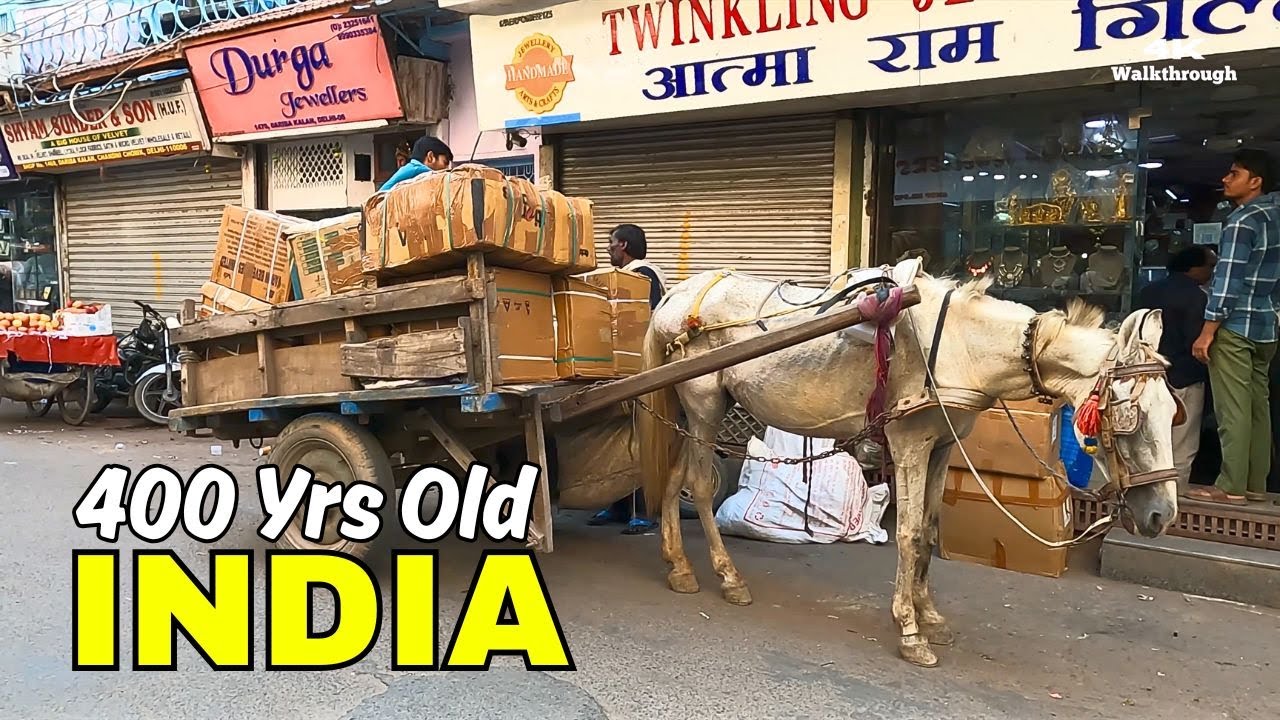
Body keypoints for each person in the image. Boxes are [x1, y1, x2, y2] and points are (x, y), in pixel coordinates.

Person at [1188, 148, 1280, 505]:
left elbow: (1226, 282)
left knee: (1233, 410)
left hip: (1236, 325)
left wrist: (1208, 330)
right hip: (1268, 324)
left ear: (1255, 181)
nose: (1225, 179)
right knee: (1260, 407)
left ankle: (1230, 486)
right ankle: (1256, 483)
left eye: (1235, 173)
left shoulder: (1242, 221)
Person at [589, 223, 669, 534]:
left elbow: (638, 318)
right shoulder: (630, 274)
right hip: (620, 368)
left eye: (610, 243)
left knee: (642, 436)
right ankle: (619, 505)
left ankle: (645, 510)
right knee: (619, 438)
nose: (607, 248)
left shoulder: (642, 274)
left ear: (623, 245)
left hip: (642, 367)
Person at [1137, 245, 1218, 497]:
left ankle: (1146, 488)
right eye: (1210, 266)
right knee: (1182, 440)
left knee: (1149, 436)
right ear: (1194, 268)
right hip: (1185, 376)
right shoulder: (1197, 297)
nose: (1212, 272)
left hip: (1148, 374)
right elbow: (1194, 342)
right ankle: (1175, 492)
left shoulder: (1147, 292)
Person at [378, 136, 453, 192]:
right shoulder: (420, 171)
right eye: (445, 162)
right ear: (430, 157)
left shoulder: (412, 169)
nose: (446, 168)